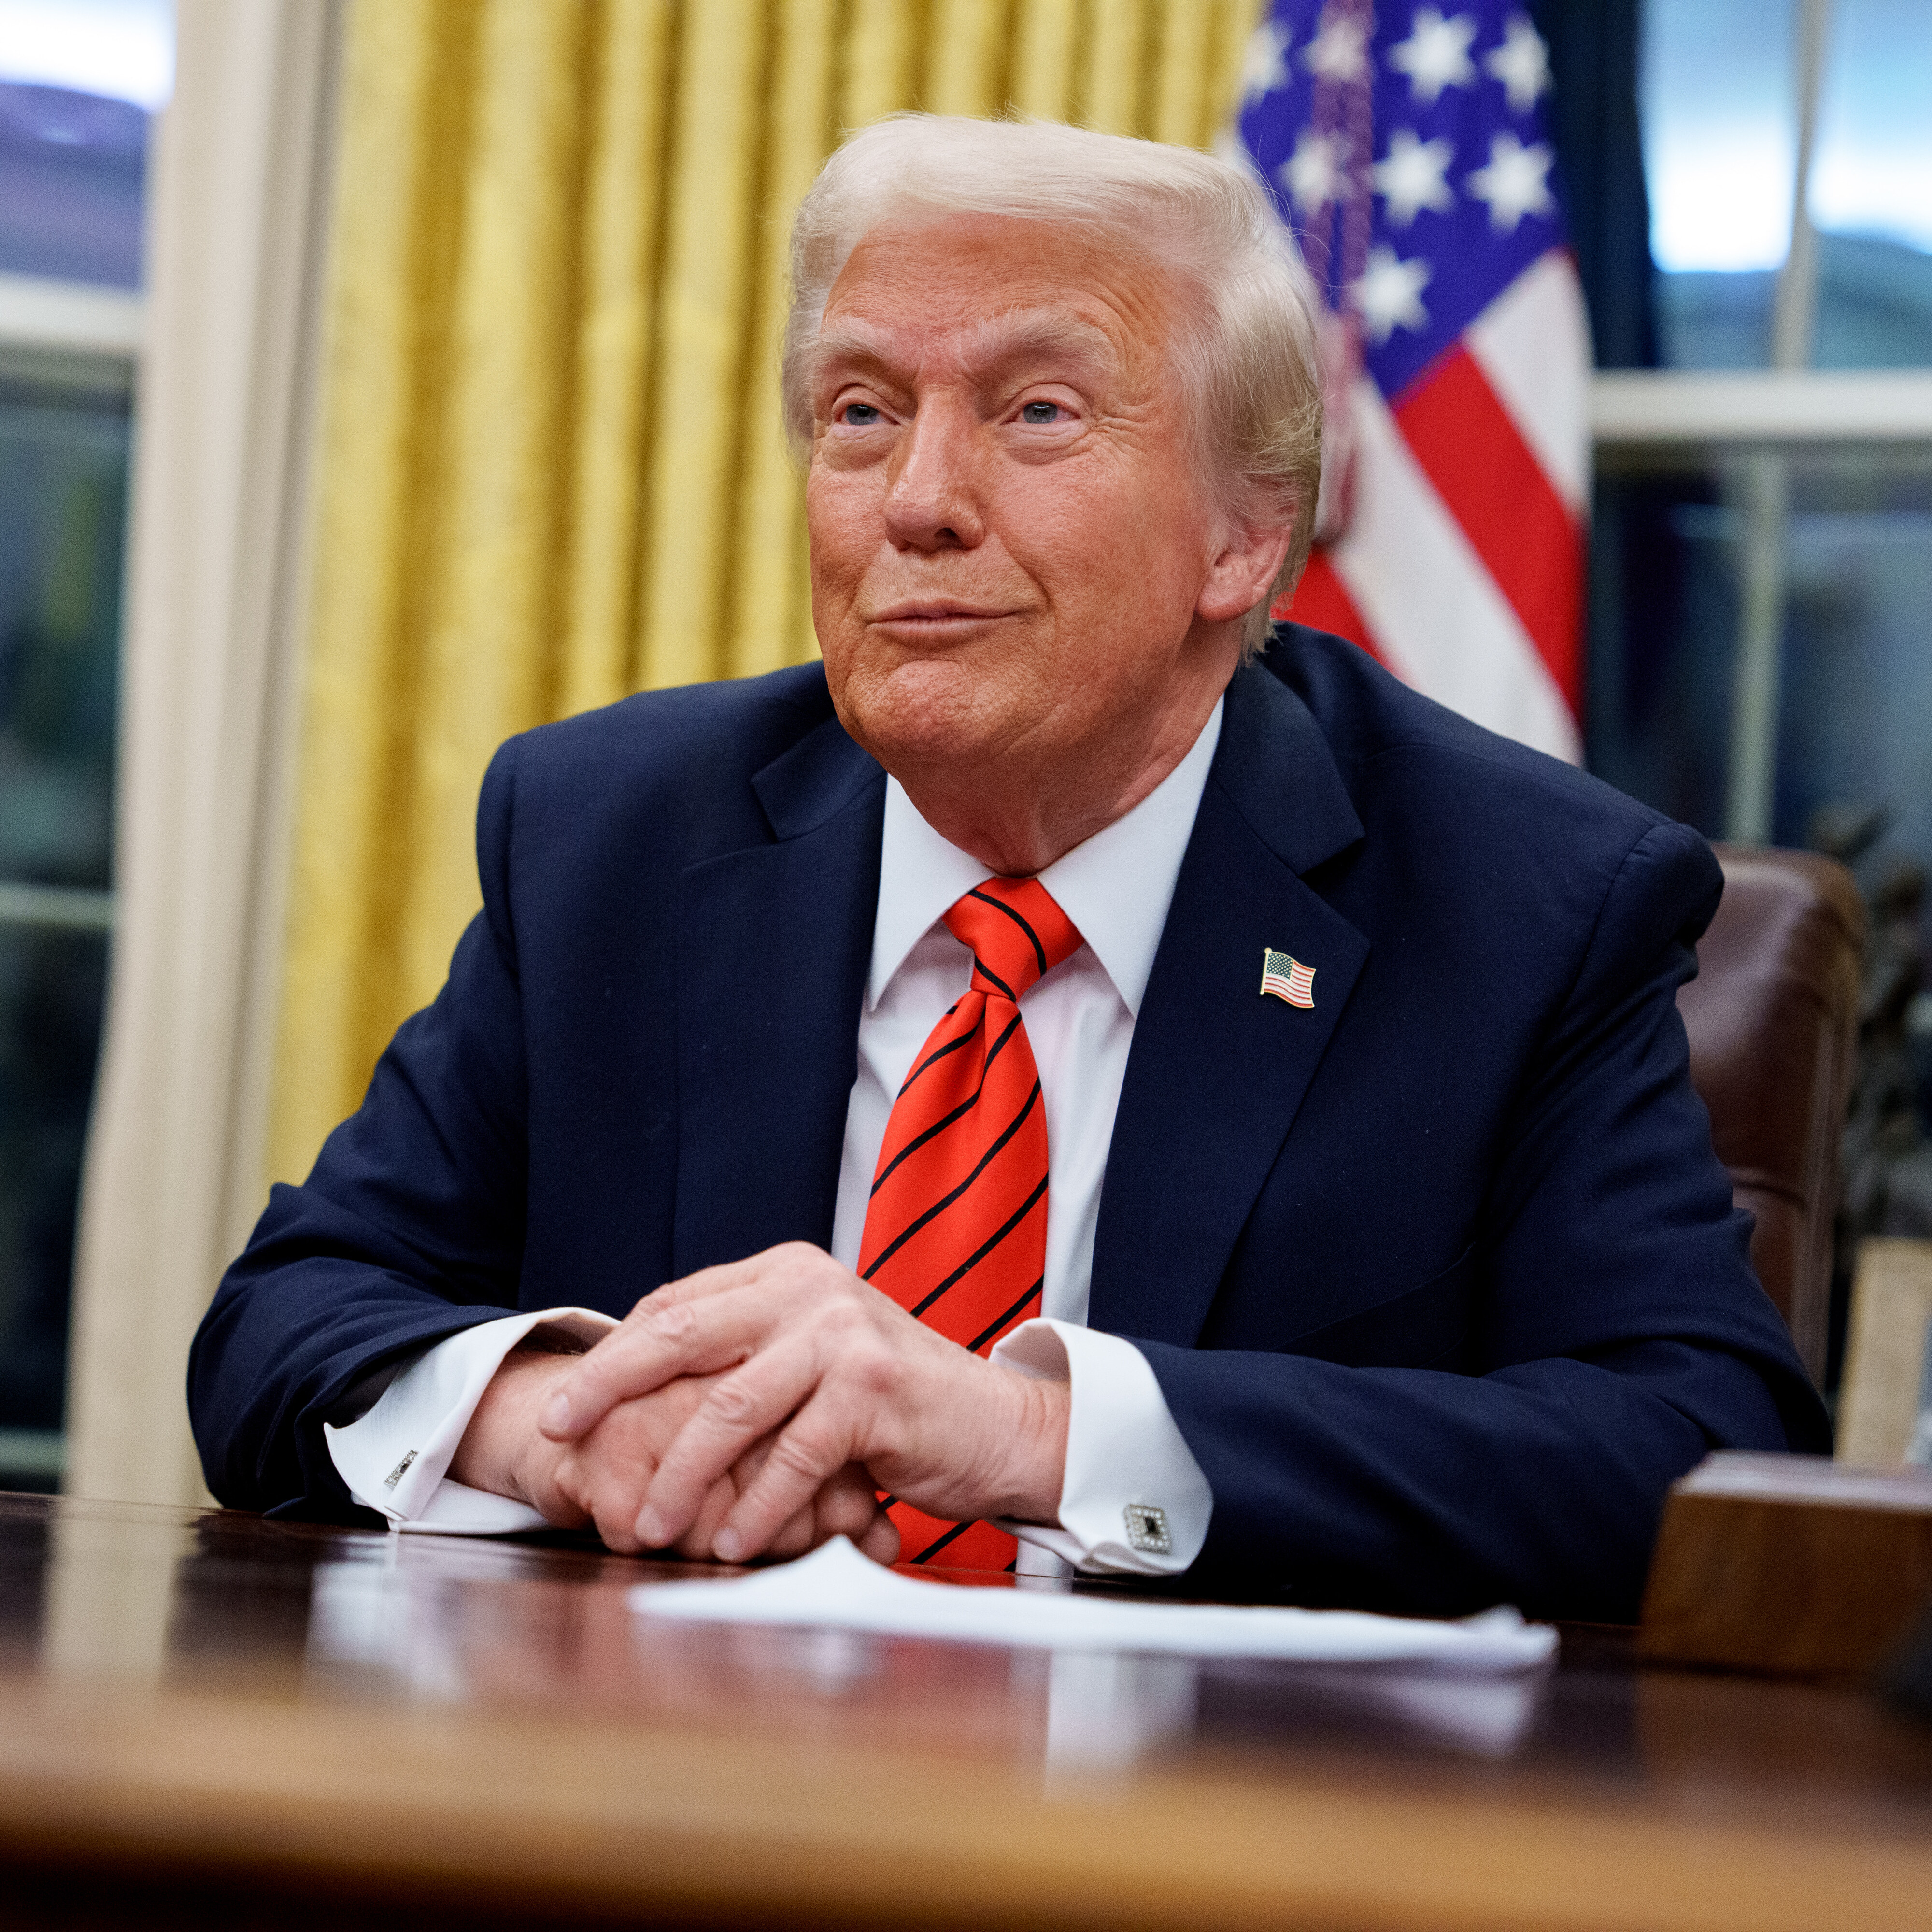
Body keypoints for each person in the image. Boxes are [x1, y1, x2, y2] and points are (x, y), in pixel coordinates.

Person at [190, 115, 1826, 1620]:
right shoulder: (614, 833)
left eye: (1037, 411)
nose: (916, 502)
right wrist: (558, 1422)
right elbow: (283, 1323)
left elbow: (1699, 1456)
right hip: (676, 1804)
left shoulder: (1523, 905)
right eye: (860, 412)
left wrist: (1023, 1432)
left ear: (1242, 536)